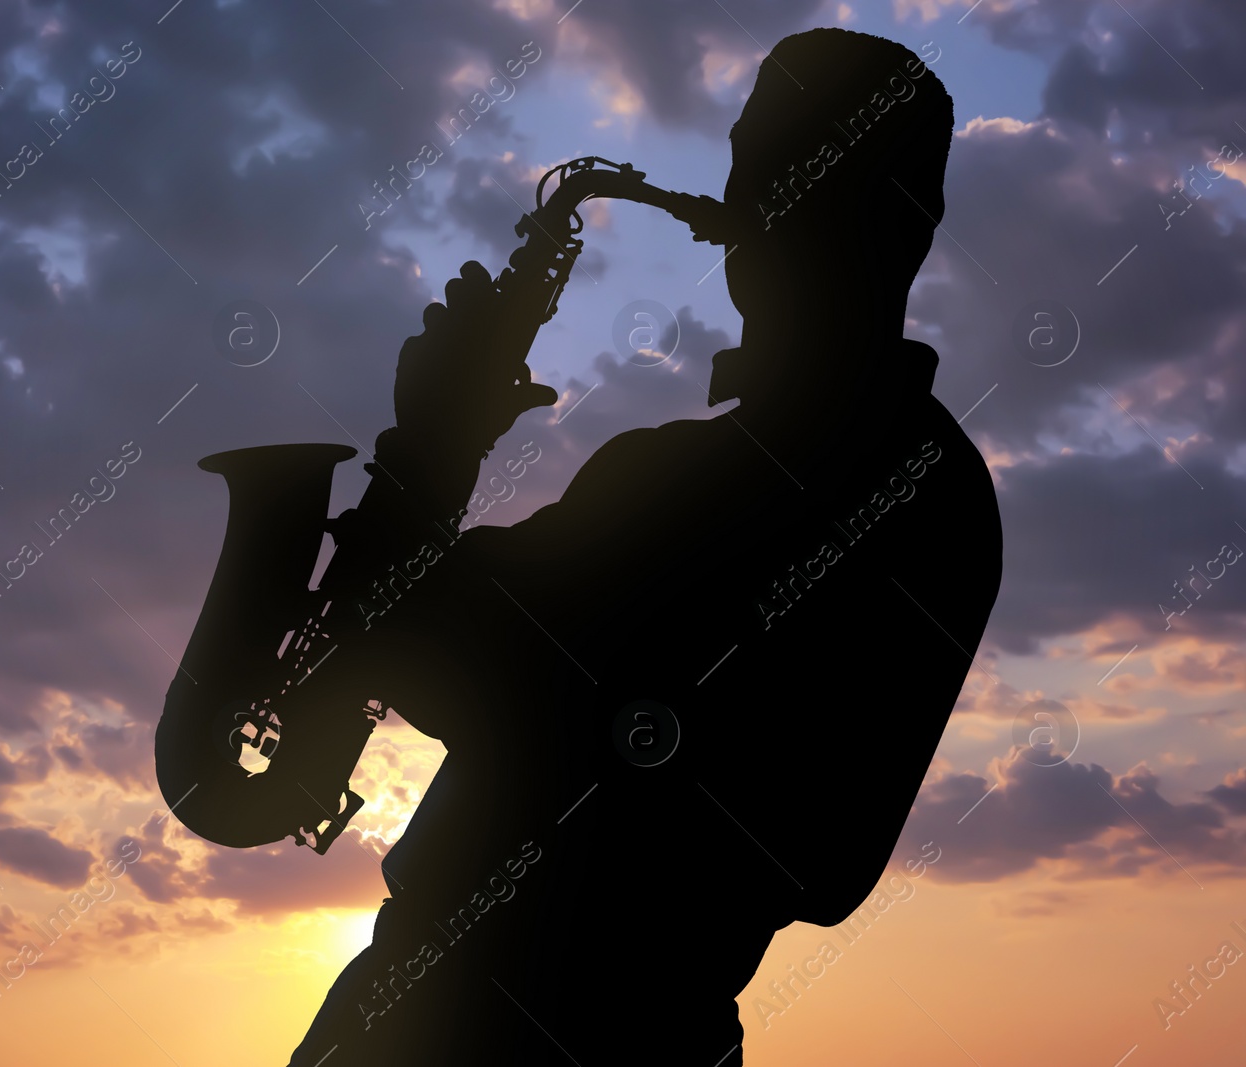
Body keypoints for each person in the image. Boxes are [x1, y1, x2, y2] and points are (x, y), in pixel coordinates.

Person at [280, 27, 1002, 1066]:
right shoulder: (933, 490)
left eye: (786, 159)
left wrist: (432, 446)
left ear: (898, 224)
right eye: (743, 151)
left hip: (502, 1024)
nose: (738, 192)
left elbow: (438, 646)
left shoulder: (751, 482)